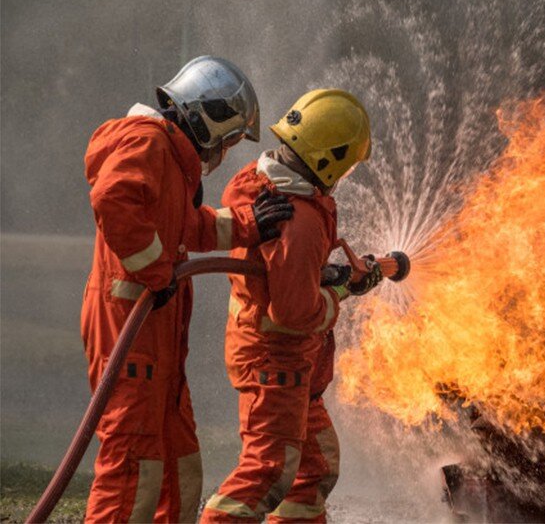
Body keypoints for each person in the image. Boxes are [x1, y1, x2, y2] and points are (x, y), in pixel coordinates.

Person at [81, 56, 294, 523]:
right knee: (134, 466)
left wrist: (248, 227)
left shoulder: (168, 158)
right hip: (130, 328)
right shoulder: (148, 142)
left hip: (154, 332)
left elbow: (186, 226)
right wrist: (156, 271)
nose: (224, 151)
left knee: (177, 462)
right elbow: (111, 199)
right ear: (208, 115)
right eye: (230, 137)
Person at [200, 89, 383, 523]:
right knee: (266, 474)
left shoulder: (259, 182)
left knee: (313, 466)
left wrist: (325, 274)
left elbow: (276, 269)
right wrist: (340, 293)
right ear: (330, 158)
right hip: (275, 365)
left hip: (282, 362)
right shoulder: (299, 220)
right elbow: (294, 313)